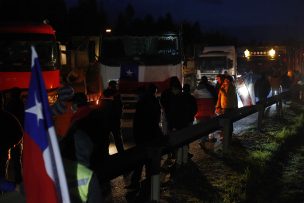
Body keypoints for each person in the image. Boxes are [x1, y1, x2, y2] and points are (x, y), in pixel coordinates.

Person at [60, 92, 105, 202]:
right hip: (99, 156)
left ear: (76, 104)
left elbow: (71, 143)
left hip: (85, 161)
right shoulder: (96, 114)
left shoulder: (77, 120)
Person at [127, 84, 164, 191]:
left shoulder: (142, 103)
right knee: (149, 162)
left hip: (143, 136)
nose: (136, 96)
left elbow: (139, 122)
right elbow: (156, 119)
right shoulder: (154, 101)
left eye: (137, 94)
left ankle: (138, 183)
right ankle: (148, 184)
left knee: (140, 160)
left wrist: (137, 136)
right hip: (151, 135)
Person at [100, 80, 124, 154]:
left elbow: (101, 107)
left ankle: (105, 155)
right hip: (115, 120)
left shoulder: (103, 94)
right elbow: (119, 108)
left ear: (109, 85)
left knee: (105, 139)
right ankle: (122, 155)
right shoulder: (117, 95)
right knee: (118, 138)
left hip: (105, 120)